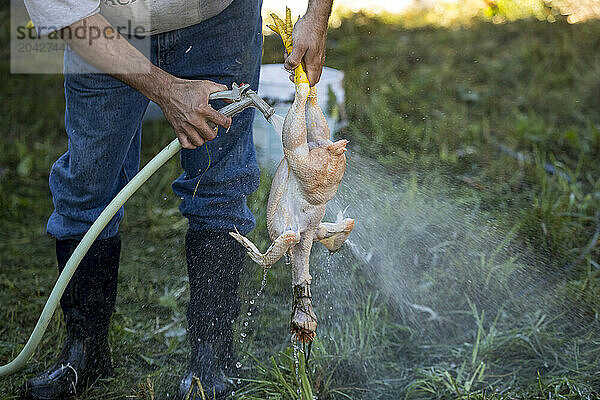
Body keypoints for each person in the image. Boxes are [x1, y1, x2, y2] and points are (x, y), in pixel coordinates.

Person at [19, 0, 332, 398]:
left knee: (220, 184)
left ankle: (210, 361)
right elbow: (65, 14)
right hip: (107, 23)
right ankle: (84, 352)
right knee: (88, 183)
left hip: (220, 18)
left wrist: (318, 16)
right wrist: (167, 91)